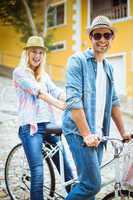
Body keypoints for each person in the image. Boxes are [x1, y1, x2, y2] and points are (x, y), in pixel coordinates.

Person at [62, 15, 132, 200]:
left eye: (106, 35)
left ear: (111, 38)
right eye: (97, 35)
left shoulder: (108, 67)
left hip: (98, 133)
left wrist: (123, 132)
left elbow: (114, 101)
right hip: (78, 131)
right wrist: (86, 134)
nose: (102, 39)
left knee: (88, 184)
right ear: (91, 37)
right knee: (91, 185)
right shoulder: (77, 61)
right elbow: (73, 101)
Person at [13, 36, 73, 200]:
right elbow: (37, 92)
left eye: (40, 52)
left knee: (66, 167)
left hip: (49, 126)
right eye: (33, 51)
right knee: (38, 171)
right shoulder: (19, 73)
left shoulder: (44, 75)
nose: (37, 55)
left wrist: (71, 99)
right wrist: (57, 104)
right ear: (27, 53)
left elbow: (55, 91)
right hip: (30, 127)